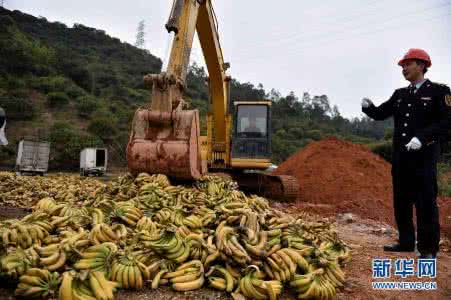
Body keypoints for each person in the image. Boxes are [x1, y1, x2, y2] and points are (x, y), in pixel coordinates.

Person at [361, 48, 451, 259]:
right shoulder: (400, 95)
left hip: (424, 159)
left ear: (421, 65)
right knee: (401, 201)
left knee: (425, 203)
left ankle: (428, 249)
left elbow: (447, 122)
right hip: (401, 159)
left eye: (407, 64)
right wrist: (368, 108)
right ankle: (406, 242)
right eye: (402, 66)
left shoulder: (439, 92)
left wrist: (423, 138)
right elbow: (381, 113)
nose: (404, 69)